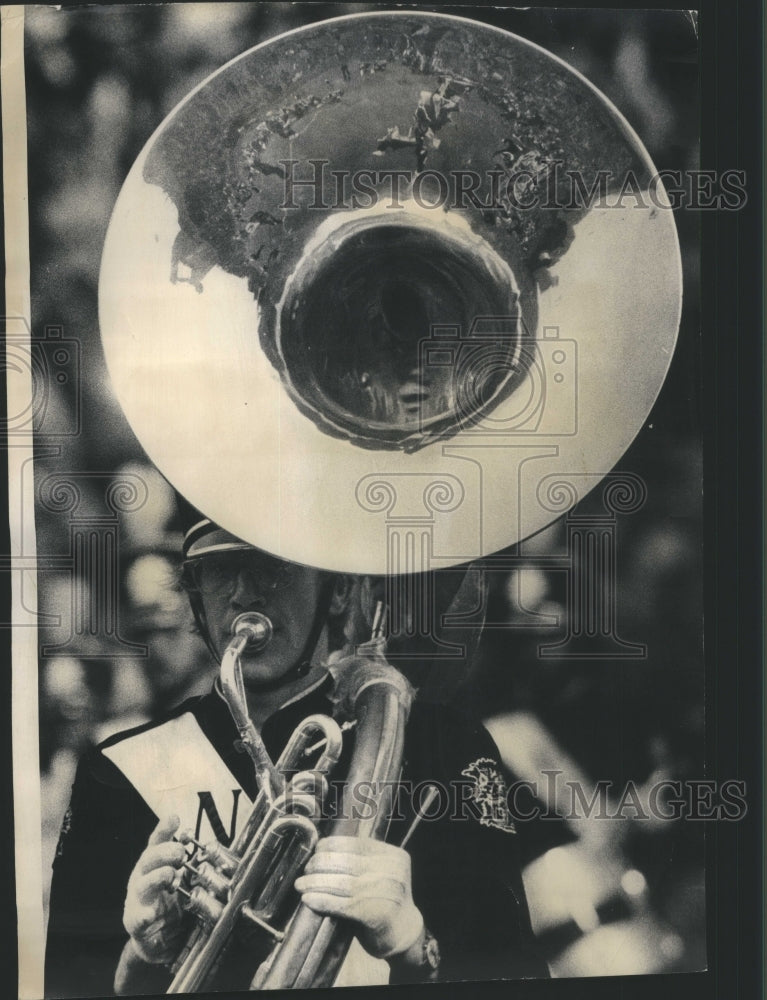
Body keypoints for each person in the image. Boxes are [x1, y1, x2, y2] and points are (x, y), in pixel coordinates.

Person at [44, 509, 549, 997]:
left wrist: (415, 947)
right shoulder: (115, 771)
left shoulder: (448, 746)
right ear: (195, 600)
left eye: (273, 565)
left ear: (340, 590)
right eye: (220, 571)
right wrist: (139, 958)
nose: (243, 593)